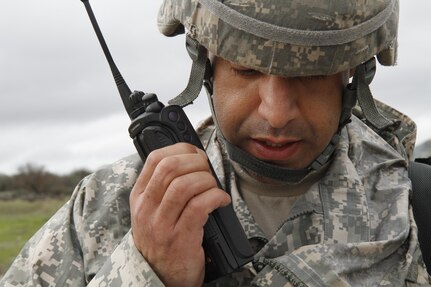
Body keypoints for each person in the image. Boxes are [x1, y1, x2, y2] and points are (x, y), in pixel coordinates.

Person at [1, 0, 429, 286]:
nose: (276, 113)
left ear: (352, 77)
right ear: (206, 67)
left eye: (311, 76)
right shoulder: (107, 205)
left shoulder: (415, 213)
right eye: (245, 70)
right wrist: (146, 271)